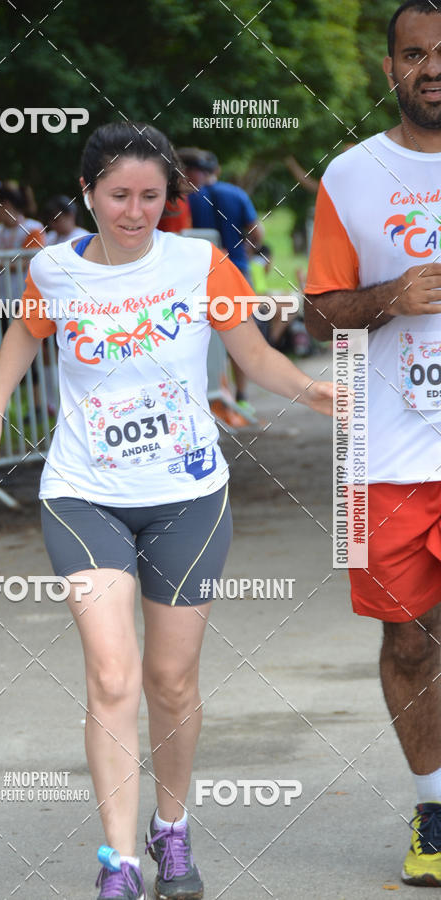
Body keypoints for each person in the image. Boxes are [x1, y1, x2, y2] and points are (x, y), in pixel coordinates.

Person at [0, 121, 334, 900]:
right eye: (119, 195)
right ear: (89, 193)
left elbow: (255, 354)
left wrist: (312, 390)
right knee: (110, 674)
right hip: (82, 493)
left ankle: (171, 830)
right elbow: (25, 339)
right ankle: (119, 862)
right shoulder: (54, 271)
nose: (134, 211)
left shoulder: (199, 262)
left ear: (169, 199)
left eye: (151, 196)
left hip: (188, 497)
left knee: (169, 680)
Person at [304, 0, 441, 887]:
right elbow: (320, 311)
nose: (433, 67)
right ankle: (437, 812)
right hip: (387, 457)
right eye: (415, 53)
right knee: (409, 645)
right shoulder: (349, 176)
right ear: (389, 69)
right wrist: (389, 296)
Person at [181, 148, 266, 420]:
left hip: (199, 276)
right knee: (240, 337)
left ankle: (211, 398)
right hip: (238, 271)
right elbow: (257, 233)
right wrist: (244, 253)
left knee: (203, 339)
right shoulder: (236, 194)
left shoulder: (186, 200)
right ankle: (241, 398)